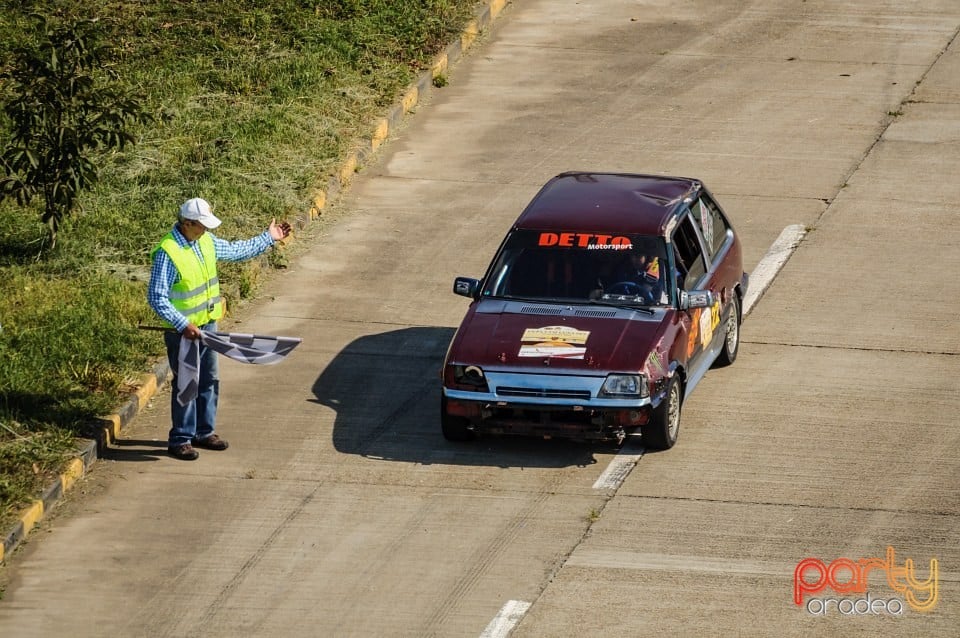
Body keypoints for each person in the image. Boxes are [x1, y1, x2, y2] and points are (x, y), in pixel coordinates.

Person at [147, 197, 292, 460]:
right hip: (183, 333)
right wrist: (183, 324)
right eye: (202, 226)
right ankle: (180, 439)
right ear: (188, 223)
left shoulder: (205, 241)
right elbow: (157, 297)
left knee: (209, 380)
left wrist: (268, 237)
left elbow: (235, 251)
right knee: (186, 384)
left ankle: (204, 432)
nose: (207, 230)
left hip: (208, 327)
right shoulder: (168, 253)